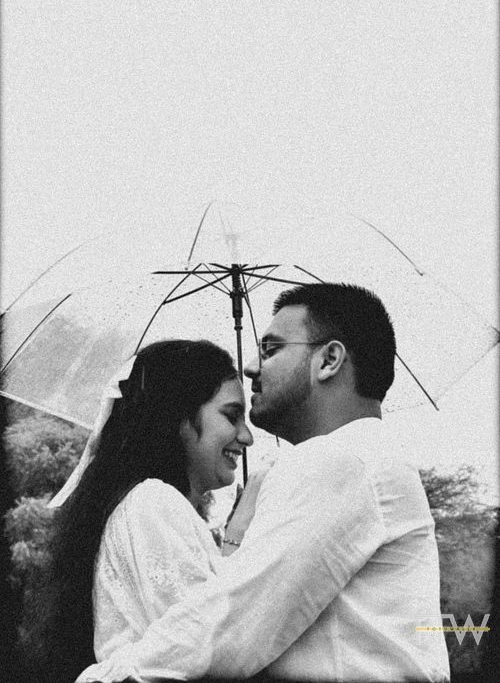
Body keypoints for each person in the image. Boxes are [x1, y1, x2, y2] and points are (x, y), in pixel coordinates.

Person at [77, 283, 450, 682]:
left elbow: (230, 629)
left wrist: (103, 678)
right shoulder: (361, 458)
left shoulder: (340, 459)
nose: (252, 367)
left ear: (329, 360)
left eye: (272, 349)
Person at [23, 339, 262, 683]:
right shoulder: (153, 501)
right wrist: (239, 529)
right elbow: (211, 648)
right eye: (232, 416)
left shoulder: (147, 504)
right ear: (179, 417)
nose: (247, 436)